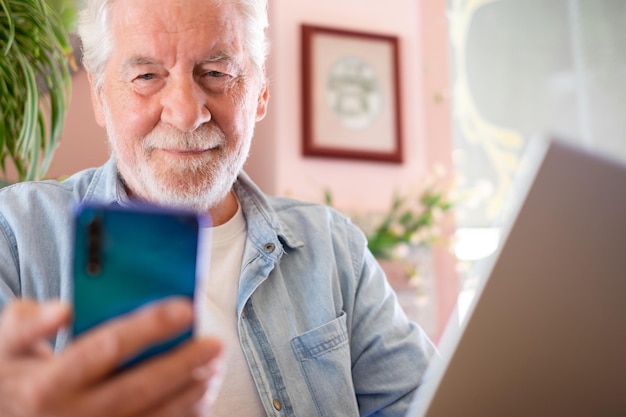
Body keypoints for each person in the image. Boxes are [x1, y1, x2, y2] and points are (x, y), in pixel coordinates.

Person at [0, 0, 437, 416]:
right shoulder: (15, 236)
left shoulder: (333, 248)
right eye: (147, 76)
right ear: (100, 98)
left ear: (261, 92)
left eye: (216, 71)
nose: (187, 113)